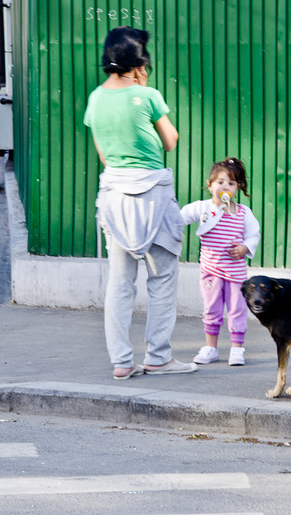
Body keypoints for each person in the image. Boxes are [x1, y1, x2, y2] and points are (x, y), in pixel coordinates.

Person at [84, 26, 197, 380]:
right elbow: (171, 140)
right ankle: (158, 357)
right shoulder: (148, 95)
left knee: (119, 282)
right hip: (153, 195)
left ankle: (121, 361)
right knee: (161, 278)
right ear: (138, 64)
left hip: (115, 196)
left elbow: (104, 156)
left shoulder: (95, 99)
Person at [179, 157, 261, 366]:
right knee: (212, 309)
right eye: (220, 182)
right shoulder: (204, 208)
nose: (226, 187)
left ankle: (236, 348)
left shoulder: (243, 213)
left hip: (235, 273)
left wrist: (245, 247)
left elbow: (254, 235)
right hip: (211, 271)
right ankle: (211, 347)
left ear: (238, 187)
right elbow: (181, 216)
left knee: (237, 309)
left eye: (231, 183)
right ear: (210, 185)